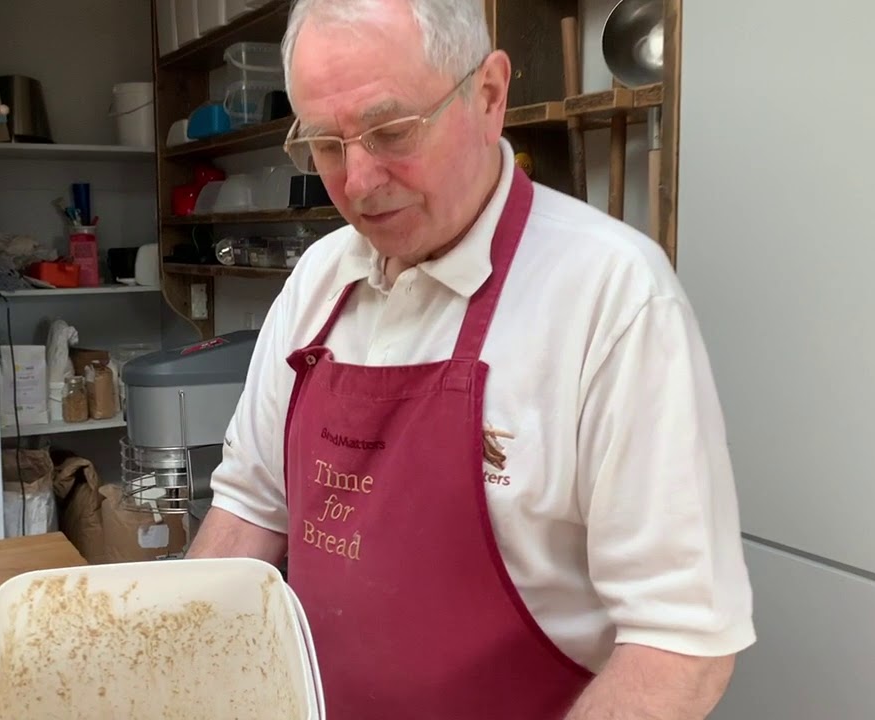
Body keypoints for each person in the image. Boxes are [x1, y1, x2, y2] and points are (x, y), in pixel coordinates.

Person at [187, 0, 755, 717]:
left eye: (392, 131)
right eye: (328, 145)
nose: (358, 182)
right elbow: (250, 507)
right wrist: (177, 669)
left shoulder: (611, 296)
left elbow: (681, 646)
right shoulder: (318, 279)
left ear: (488, 96)